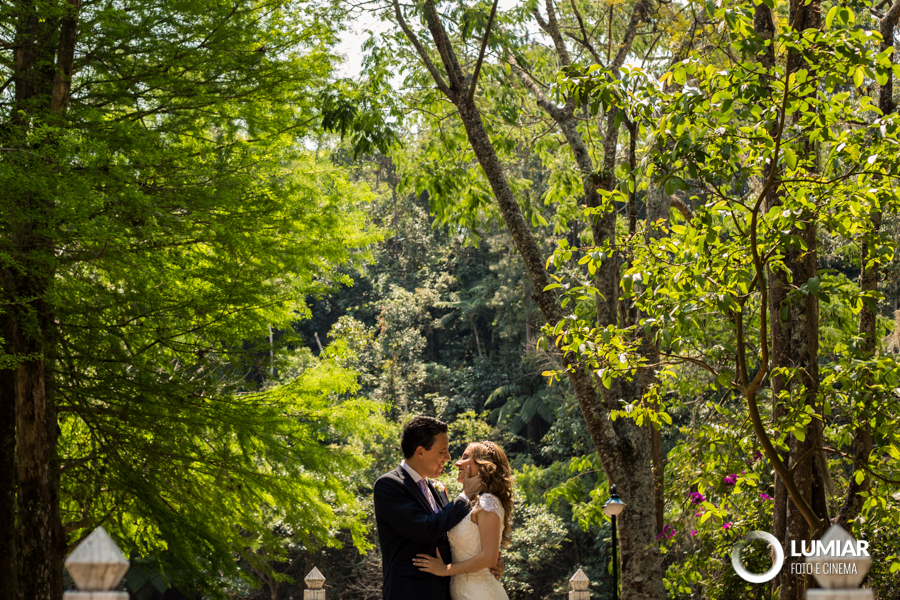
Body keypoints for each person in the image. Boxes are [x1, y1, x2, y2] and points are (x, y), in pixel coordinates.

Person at [373, 417, 502, 600]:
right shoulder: (389, 485)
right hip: (410, 593)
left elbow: (449, 538)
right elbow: (426, 530)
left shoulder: (436, 488)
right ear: (420, 452)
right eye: (442, 451)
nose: (448, 458)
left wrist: (488, 561)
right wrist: (465, 495)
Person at [412, 440, 513, 600]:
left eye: (465, 457)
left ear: (483, 465)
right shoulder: (468, 504)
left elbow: (489, 557)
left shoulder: (487, 501)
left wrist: (446, 569)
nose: (457, 463)